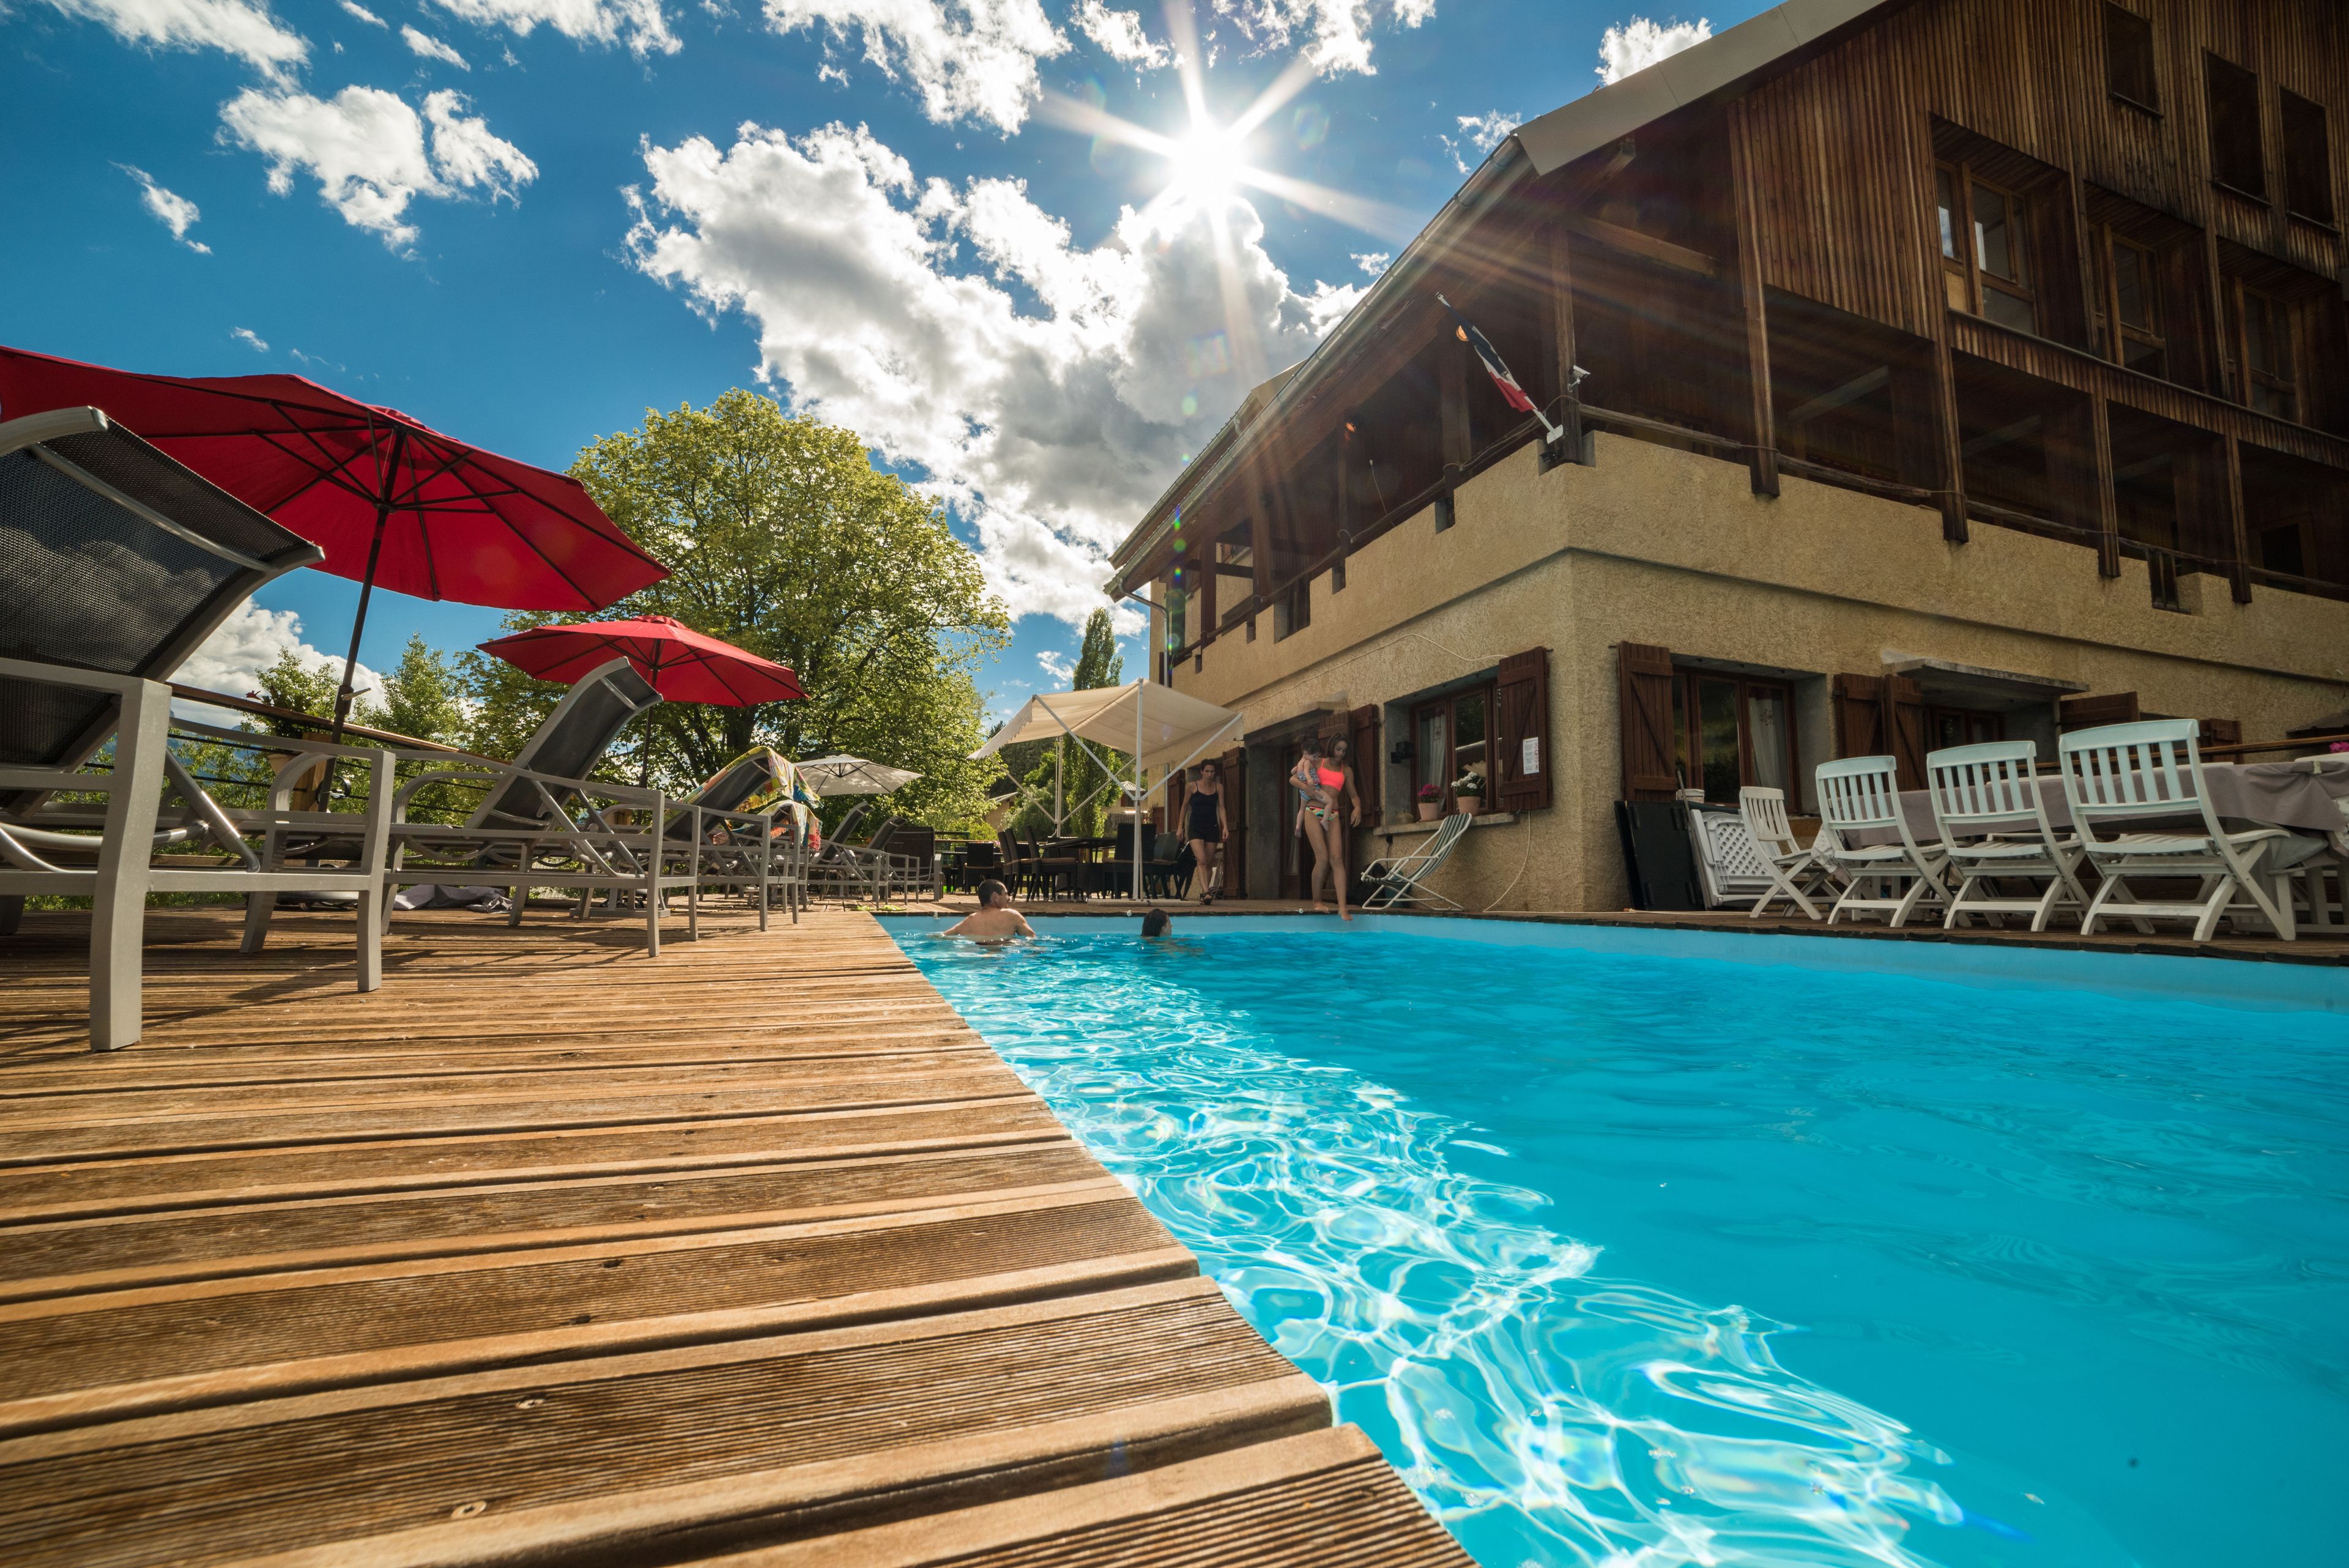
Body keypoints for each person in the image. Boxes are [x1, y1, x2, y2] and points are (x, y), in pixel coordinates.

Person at [1290, 738, 1359, 921]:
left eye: (1344, 750)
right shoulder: (1317, 761)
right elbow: (1293, 778)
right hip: (1312, 810)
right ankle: (1317, 901)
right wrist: (1306, 788)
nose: (1341, 753)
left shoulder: (1346, 770)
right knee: (1322, 858)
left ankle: (1343, 908)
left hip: (1332, 814)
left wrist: (1358, 808)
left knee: (1337, 859)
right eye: (1338, 749)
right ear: (1331, 747)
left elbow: (1353, 795)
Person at [1183, 759, 1230, 904]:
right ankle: (1205, 892)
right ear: (1202, 772)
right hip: (1195, 826)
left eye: (1212, 771)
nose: (1210, 774)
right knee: (1201, 860)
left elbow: (1221, 807)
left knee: (1209, 862)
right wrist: (1180, 827)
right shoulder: (1192, 787)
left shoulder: (1219, 788)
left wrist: (1225, 826)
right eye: (1207, 771)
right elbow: (1185, 807)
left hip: (1212, 826)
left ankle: (1204, 894)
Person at [943, 878, 1034, 940]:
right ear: (995, 897)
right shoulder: (1011, 915)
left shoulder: (969, 920)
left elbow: (943, 936)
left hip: (979, 955)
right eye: (1005, 894)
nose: (1008, 898)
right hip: (1003, 957)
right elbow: (1032, 939)